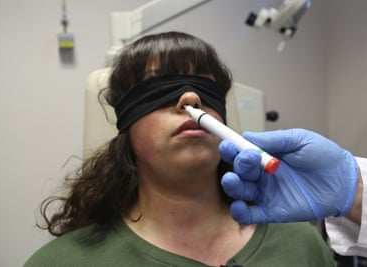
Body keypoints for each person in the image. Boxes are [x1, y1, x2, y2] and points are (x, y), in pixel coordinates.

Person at [24, 32, 335, 267]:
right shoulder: (64, 262)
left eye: (204, 87)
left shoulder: (301, 246)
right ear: (126, 123)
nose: (190, 97)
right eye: (161, 87)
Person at [219, 128, 367, 266]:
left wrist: (352, 189)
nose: (191, 98)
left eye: (206, 90)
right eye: (181, 83)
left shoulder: (302, 240)